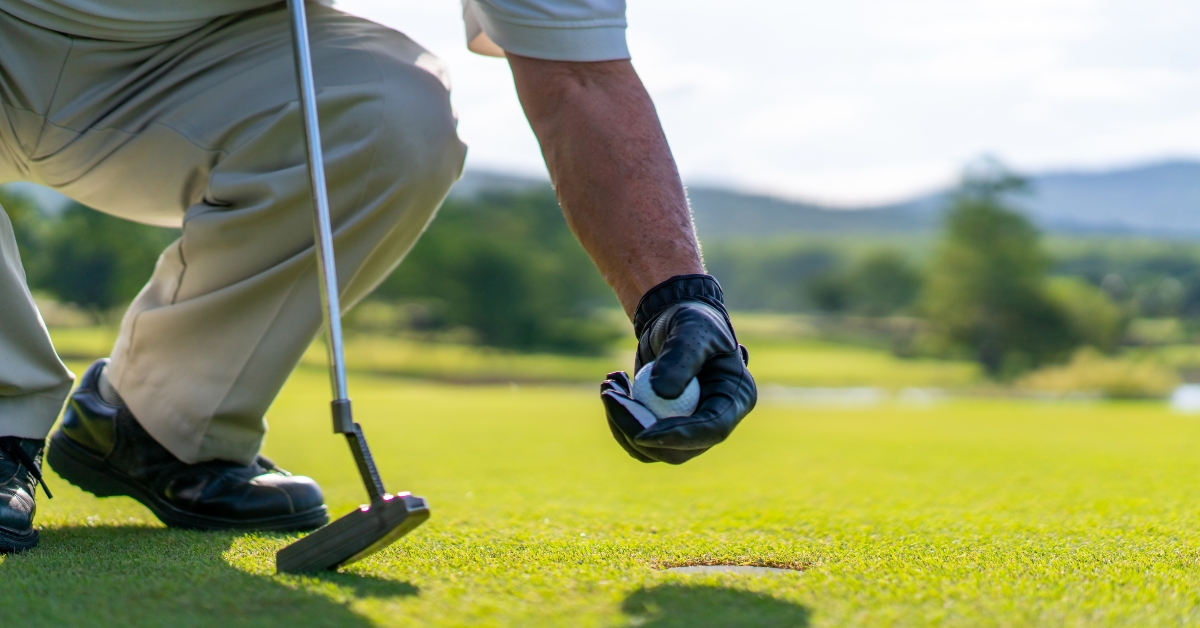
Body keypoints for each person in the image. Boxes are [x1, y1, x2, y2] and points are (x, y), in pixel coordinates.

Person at [0, 0, 757, 553]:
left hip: (193, 67)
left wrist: (675, 297)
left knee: (391, 111)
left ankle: (159, 423)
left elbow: (578, 75)